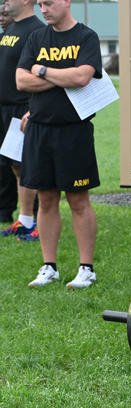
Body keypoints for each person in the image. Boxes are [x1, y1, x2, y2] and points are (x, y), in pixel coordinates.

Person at [16, 0, 103, 289]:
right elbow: (20, 80)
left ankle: (86, 269)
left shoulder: (85, 37)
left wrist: (42, 71)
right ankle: (49, 266)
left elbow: (81, 77)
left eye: (49, 3)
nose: (44, 8)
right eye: (40, 3)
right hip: (40, 129)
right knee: (47, 197)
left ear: (66, 2)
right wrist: (61, 76)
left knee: (78, 199)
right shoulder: (36, 37)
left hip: (73, 130)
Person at [0, 0, 45, 241]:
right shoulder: (12, 29)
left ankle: (36, 220)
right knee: (16, 167)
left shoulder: (36, 30)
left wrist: (32, 108)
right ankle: (24, 219)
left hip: (22, 108)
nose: (6, 1)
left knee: (27, 165)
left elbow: (36, 71)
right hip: (5, 107)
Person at [0, 2, 18, 224]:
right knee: (3, 164)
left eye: (5, 13)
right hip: (2, 108)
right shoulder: (3, 39)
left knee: (21, 163)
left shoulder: (29, 34)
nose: (2, 17)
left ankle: (30, 213)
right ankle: (4, 210)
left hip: (18, 108)